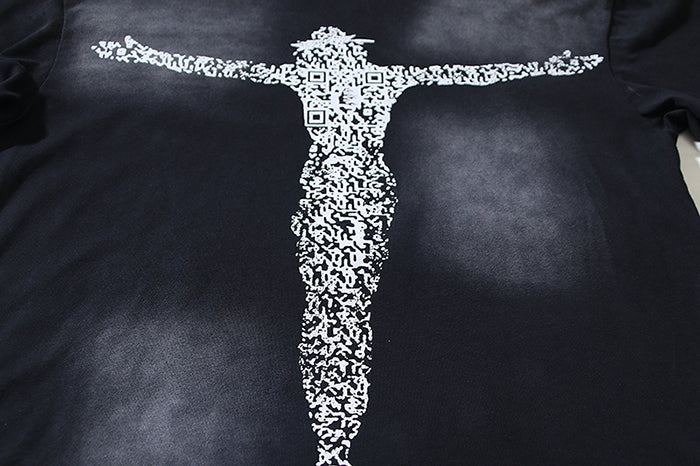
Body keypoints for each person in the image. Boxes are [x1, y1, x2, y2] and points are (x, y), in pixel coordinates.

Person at [92, 26, 603, 466]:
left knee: (338, 312)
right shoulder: (344, 79)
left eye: (325, 52)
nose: (323, 59)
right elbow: (221, 68)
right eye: (320, 54)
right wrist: (145, 54)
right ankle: (333, 440)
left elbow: (469, 74)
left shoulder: (357, 79)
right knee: (334, 312)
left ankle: (335, 440)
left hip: (350, 197)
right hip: (339, 196)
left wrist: (548, 66)